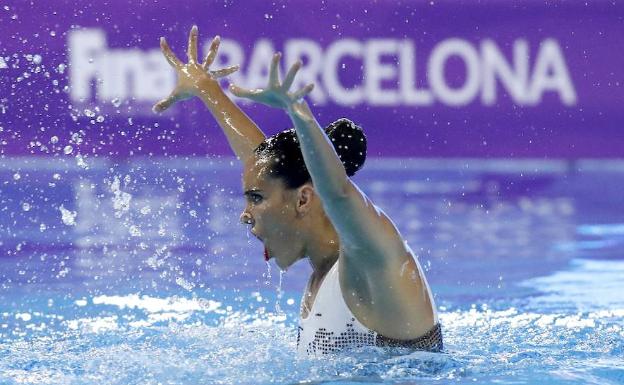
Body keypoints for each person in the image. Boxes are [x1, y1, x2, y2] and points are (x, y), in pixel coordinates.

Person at [154, 26, 442, 355]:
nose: (245, 216)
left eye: (256, 199)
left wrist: (298, 110)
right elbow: (260, 163)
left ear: (304, 199)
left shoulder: (372, 261)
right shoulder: (325, 267)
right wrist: (206, 88)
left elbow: (337, 193)